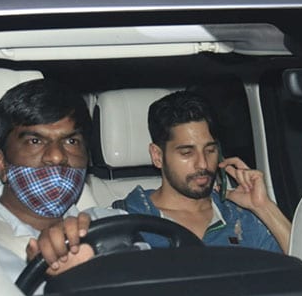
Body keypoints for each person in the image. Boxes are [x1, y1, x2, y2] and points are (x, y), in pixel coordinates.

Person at [0, 78, 124, 282]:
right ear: (1, 164)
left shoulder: (114, 227)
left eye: (71, 141)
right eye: (35, 141)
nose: (57, 156)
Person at [119, 90, 291, 253]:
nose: (203, 164)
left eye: (210, 151)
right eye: (187, 153)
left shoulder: (242, 220)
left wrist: (264, 207)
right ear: (157, 155)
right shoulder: (126, 220)